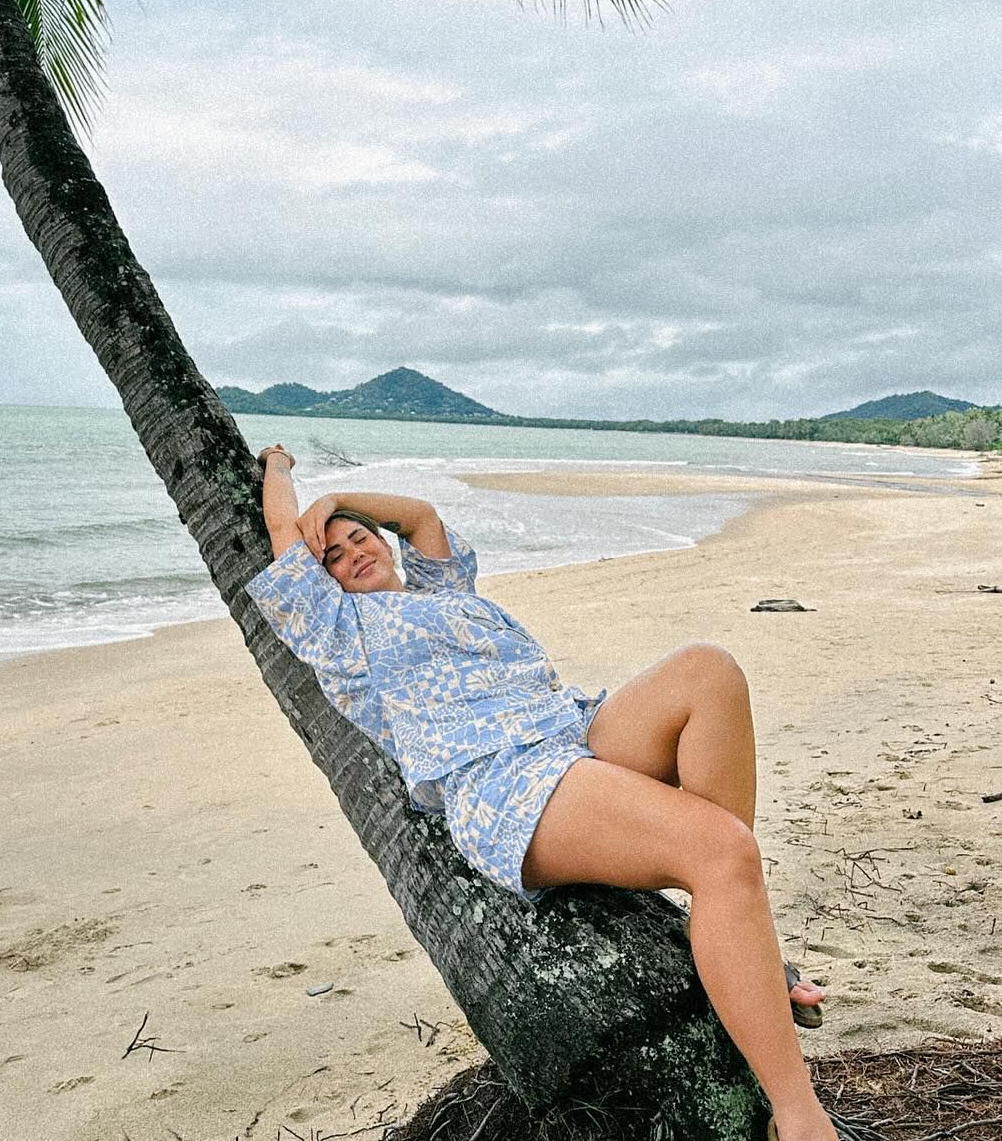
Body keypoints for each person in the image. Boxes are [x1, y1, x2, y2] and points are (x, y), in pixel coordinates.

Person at [248, 446, 836, 1141]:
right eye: (336, 557)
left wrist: (342, 501)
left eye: (360, 539)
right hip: (507, 782)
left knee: (710, 671)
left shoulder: (443, 592)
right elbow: (283, 528)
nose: (354, 554)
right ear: (324, 582)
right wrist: (281, 466)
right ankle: (797, 1115)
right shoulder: (341, 637)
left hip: (572, 729)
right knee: (723, 850)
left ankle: (735, 932)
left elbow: (422, 517)